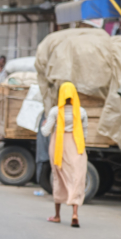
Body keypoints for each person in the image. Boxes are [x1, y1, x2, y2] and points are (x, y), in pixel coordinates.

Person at [41, 82, 88, 227]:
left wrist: (44, 124)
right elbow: (84, 134)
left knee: (59, 177)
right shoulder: (81, 112)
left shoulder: (55, 111)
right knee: (77, 178)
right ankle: (75, 214)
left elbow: (45, 132)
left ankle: (57, 215)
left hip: (59, 145)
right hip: (76, 145)